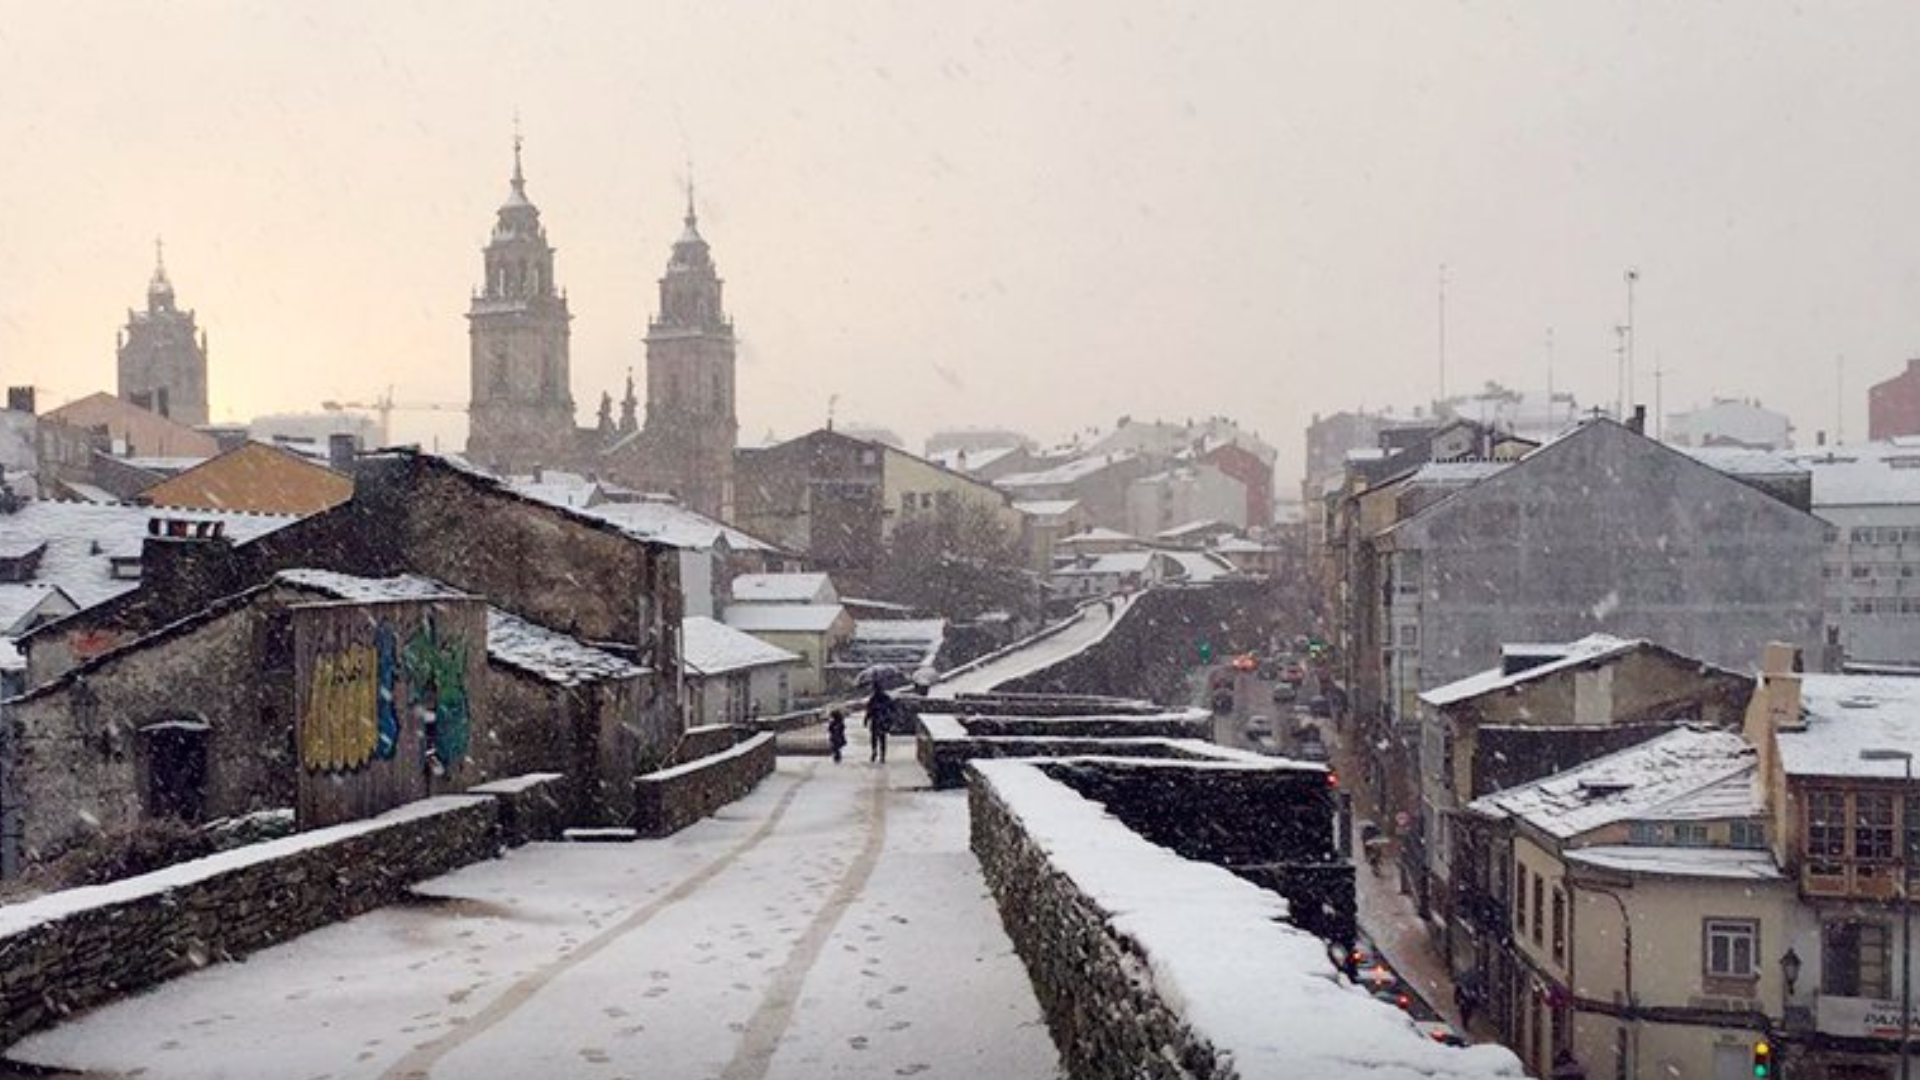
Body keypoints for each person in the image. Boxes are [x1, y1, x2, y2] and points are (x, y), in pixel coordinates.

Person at [865, 684, 894, 763]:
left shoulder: (873, 698)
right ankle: (882, 755)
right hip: (883, 720)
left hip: (875, 720)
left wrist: (866, 719)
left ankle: (874, 751)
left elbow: (869, 710)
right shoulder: (886, 697)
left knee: (874, 738)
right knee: (882, 739)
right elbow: (892, 708)